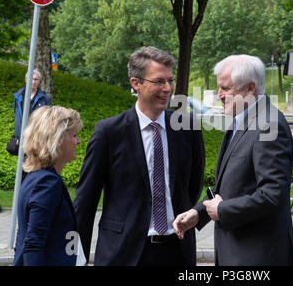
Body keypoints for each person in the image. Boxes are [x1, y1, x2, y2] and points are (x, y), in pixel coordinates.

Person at [74, 46, 204, 266]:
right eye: (159, 81)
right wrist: (76, 259)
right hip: (123, 253)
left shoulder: (188, 128)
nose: (168, 88)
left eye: (170, 81)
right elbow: (85, 202)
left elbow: (192, 188)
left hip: (177, 251)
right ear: (136, 83)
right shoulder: (109, 132)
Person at [173, 54, 293, 266]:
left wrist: (221, 211)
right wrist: (199, 212)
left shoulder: (269, 125)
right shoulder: (244, 120)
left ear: (250, 88)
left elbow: (273, 196)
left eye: (226, 88)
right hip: (241, 254)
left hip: (257, 258)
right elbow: (233, 187)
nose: (219, 94)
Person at [13, 105, 85, 266]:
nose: (78, 141)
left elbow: (23, 237)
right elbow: (34, 243)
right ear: (57, 139)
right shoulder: (47, 183)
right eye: (74, 135)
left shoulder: (35, 178)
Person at [13, 70, 52, 139]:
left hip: (36, 137)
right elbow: (16, 114)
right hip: (20, 136)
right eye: (31, 79)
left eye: (36, 79)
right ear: (26, 80)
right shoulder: (18, 96)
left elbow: (48, 119)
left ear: (39, 81)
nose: (33, 82)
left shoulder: (44, 99)